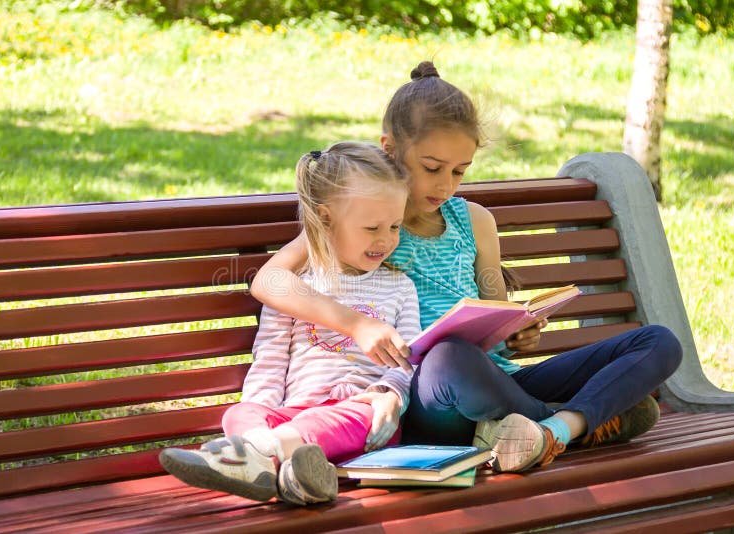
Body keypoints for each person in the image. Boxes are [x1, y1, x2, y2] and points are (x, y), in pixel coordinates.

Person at [250, 61, 683, 473]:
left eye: (459, 171)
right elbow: (269, 280)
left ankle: (553, 430)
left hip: (498, 383)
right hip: (424, 395)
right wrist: (355, 325)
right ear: (391, 150)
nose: (445, 185)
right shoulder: (362, 222)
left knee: (659, 342)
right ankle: (589, 420)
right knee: (449, 357)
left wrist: (518, 334)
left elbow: (497, 312)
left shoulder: (475, 221)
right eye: (432, 168)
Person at [159, 142, 421, 505]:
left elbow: (408, 361)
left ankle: (246, 457)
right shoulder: (296, 287)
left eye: (395, 226)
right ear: (326, 217)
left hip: (359, 418)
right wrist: (262, 410)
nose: (387, 239)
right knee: (241, 411)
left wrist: (389, 397)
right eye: (372, 227)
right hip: (293, 412)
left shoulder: (400, 287)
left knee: (345, 418)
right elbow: (270, 359)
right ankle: (296, 476)